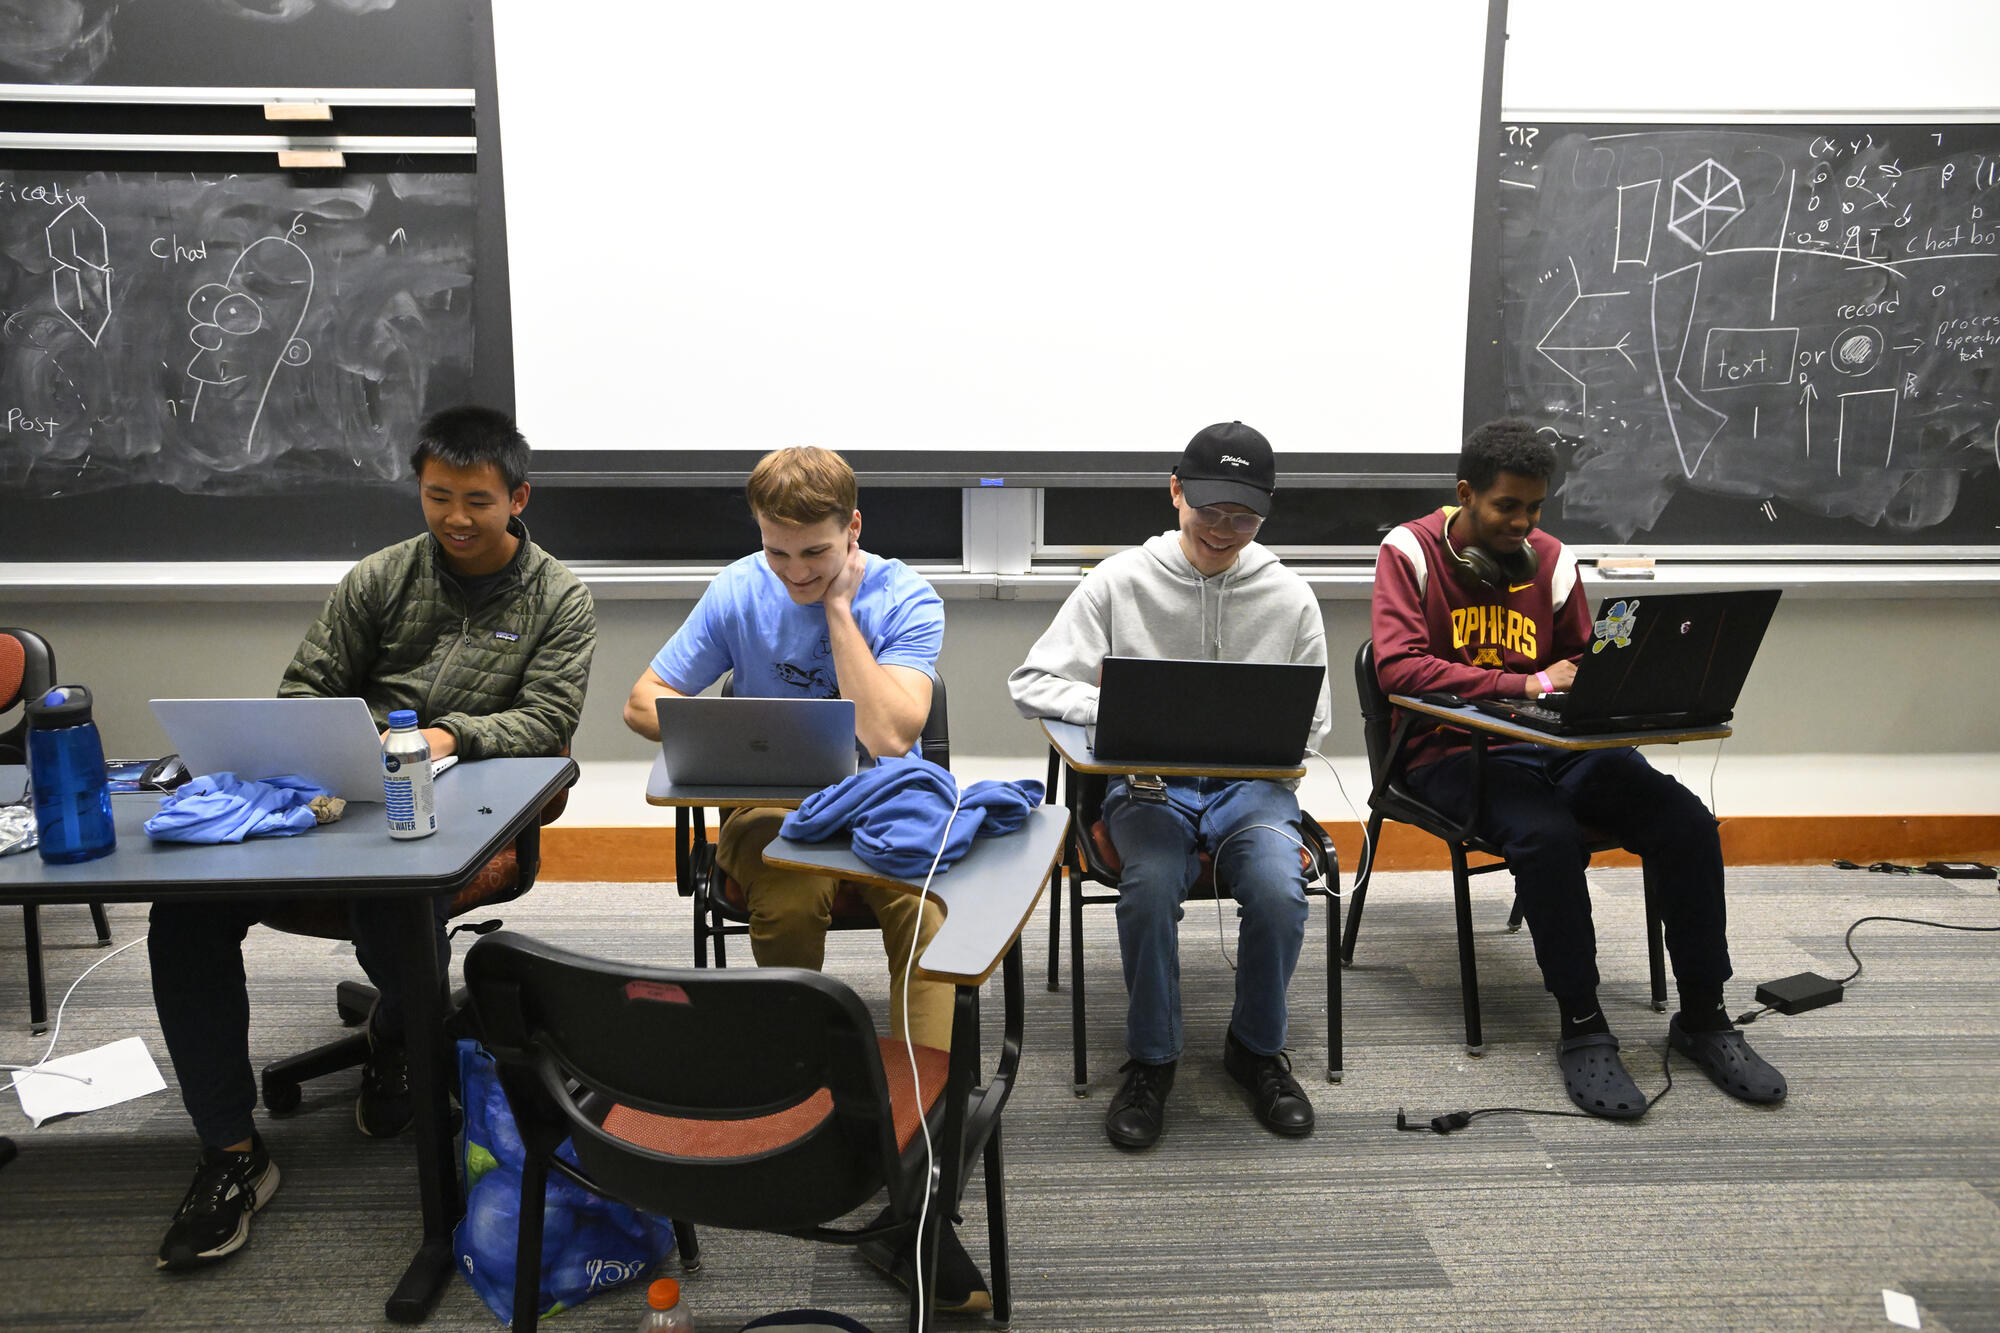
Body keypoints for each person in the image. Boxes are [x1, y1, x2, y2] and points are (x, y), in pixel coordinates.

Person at [148, 406, 597, 1270]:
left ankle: (404, 1034)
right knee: (183, 911)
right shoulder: (380, 577)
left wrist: (448, 737)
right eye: (436, 496)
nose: (455, 518)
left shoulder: (557, 596)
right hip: (333, 802)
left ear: (518, 497)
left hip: (462, 812)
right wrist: (336, 750)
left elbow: (546, 720)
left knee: (397, 914)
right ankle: (232, 1153)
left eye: (475, 499)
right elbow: (306, 689)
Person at [620, 445, 988, 1313]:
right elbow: (641, 702)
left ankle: (917, 1163)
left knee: (929, 910)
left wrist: (841, 613)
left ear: (851, 529)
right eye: (777, 551)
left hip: (883, 807)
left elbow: (895, 732)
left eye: (814, 553)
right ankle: (812, 1086)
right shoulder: (737, 587)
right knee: (788, 885)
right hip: (768, 815)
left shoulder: (905, 596)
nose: (792, 571)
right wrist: (737, 735)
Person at [1370, 417, 1788, 1119]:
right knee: (1549, 838)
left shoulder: (1552, 559)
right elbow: (1398, 667)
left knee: (1684, 822)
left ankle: (1705, 1013)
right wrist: (1523, 685)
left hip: (1556, 748)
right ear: (1467, 493)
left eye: (1535, 507)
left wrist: (1632, 693)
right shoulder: (1408, 552)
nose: (1524, 523)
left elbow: (1585, 668)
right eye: (1508, 506)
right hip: (1450, 752)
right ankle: (1584, 1025)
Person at [1009, 421, 1331, 1149]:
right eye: (1209, 508)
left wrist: (1263, 740)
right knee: (1151, 886)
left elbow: (1314, 724)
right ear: (1176, 490)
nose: (1223, 528)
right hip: (1148, 786)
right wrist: (1117, 711)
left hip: (1251, 788)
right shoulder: (1120, 581)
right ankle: (1152, 1060)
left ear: (1267, 510)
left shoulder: (1290, 598)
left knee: (1280, 889)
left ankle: (1255, 1050)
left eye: (1243, 515)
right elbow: (1031, 681)